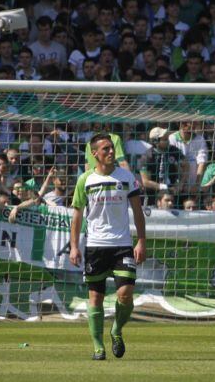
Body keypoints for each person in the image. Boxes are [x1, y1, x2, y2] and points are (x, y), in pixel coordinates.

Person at [70, 133, 146, 361]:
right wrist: (74, 246)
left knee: (125, 294)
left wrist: (141, 240)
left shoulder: (126, 177)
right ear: (95, 154)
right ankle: (98, 347)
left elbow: (137, 211)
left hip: (122, 245)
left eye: (111, 148)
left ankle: (116, 330)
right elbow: (77, 215)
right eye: (105, 149)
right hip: (95, 246)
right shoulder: (85, 180)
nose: (111, 152)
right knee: (96, 298)